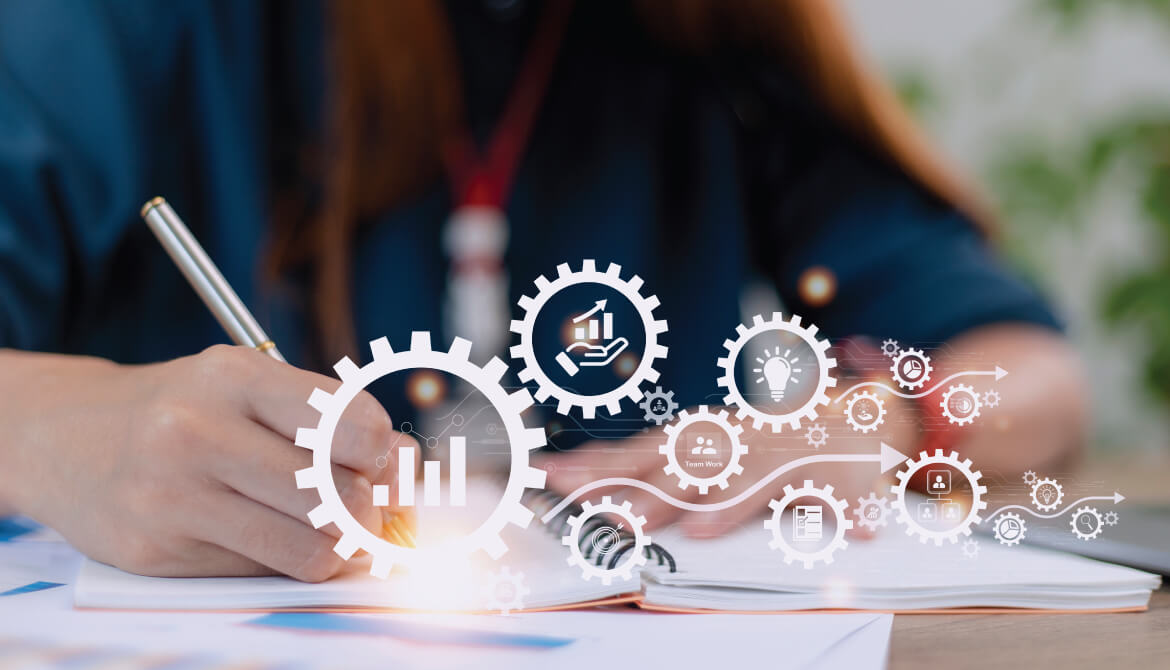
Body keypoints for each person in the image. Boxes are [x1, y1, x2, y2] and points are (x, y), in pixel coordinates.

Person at [0, 0, 1086, 582]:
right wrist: (50, 430)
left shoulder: (705, 42)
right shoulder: (124, 28)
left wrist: (876, 419)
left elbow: (1035, 376)